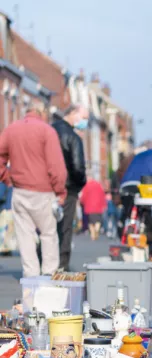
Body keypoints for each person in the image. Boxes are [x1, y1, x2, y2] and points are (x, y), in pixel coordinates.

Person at [0, 106, 66, 277]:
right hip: (44, 192)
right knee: (48, 234)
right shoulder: (47, 131)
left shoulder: (11, 130)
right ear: (42, 114)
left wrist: (7, 178)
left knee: (25, 235)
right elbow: (56, 167)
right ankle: (49, 274)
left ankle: (31, 275)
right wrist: (60, 191)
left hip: (20, 191)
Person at [52, 105, 88, 270]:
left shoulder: (50, 131)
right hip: (68, 188)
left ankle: (44, 263)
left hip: (48, 186)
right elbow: (78, 167)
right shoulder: (73, 137)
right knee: (65, 227)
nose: (85, 122)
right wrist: (79, 184)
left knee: (48, 227)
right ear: (72, 113)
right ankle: (62, 265)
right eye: (83, 117)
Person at [120, 145, 152, 240]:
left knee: (127, 212)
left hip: (126, 185)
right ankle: (150, 237)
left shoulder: (139, 154)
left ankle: (124, 229)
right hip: (145, 187)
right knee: (149, 212)